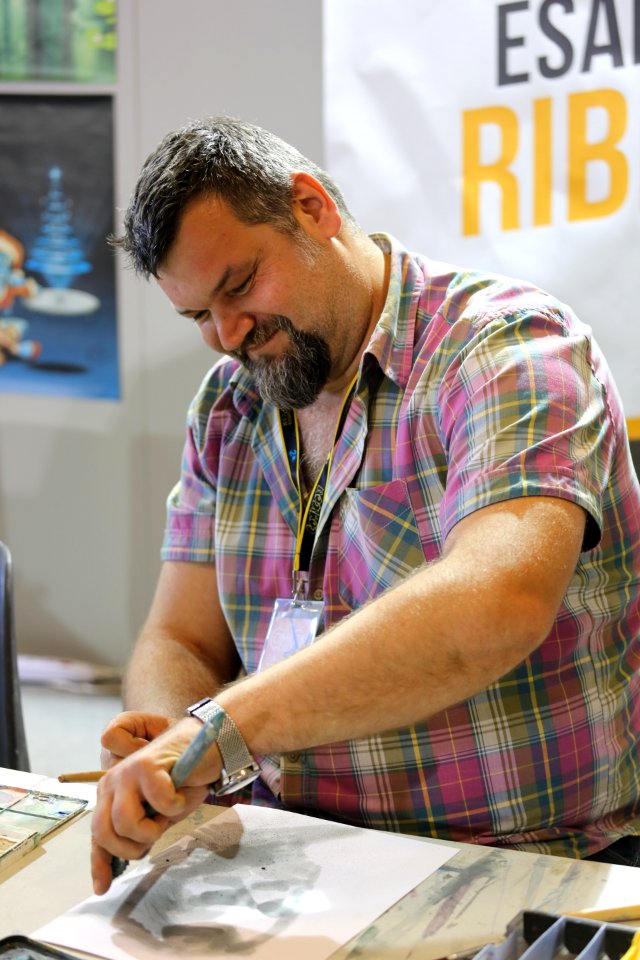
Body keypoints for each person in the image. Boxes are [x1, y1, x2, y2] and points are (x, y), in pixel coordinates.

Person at [91, 116, 640, 894]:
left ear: (312, 206)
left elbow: (496, 604)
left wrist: (223, 731)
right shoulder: (227, 406)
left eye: (241, 286)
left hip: (529, 864)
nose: (228, 334)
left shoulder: (508, 347)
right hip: (295, 859)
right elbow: (180, 636)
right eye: (197, 317)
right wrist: (168, 746)